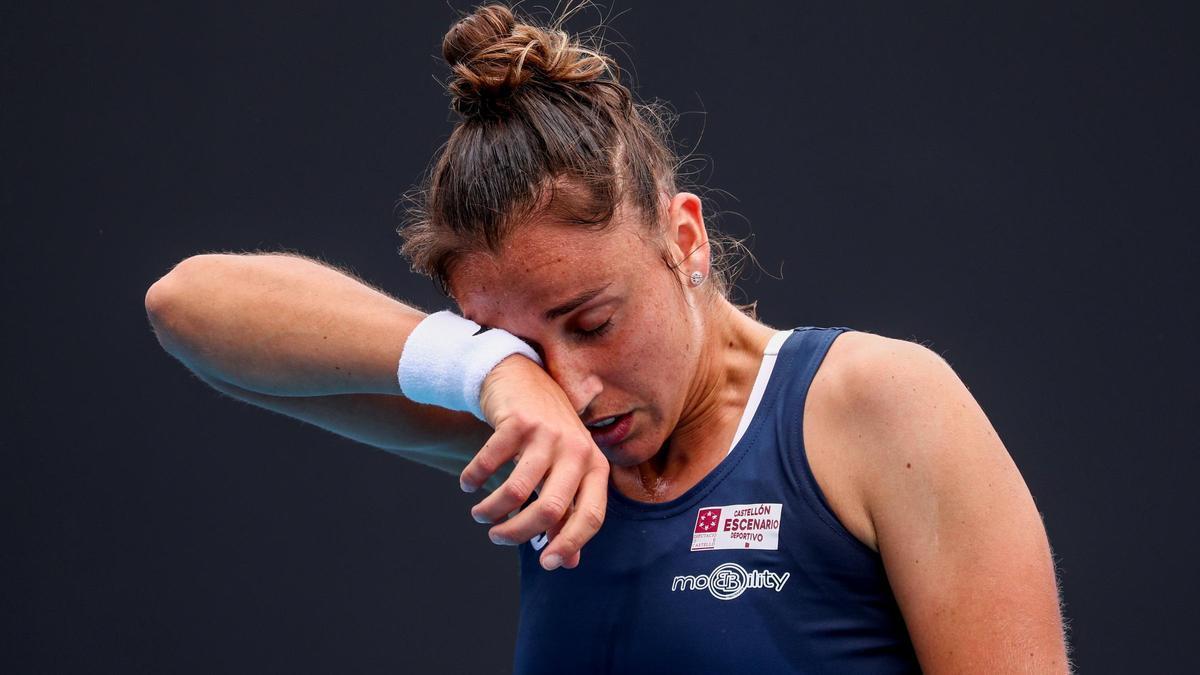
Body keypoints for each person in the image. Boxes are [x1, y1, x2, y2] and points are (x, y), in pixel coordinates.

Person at [144, 3, 1070, 673]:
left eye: (593, 322)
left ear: (685, 238)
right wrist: (490, 372)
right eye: (517, 341)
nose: (575, 385)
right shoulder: (537, 432)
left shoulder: (880, 404)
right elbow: (187, 306)